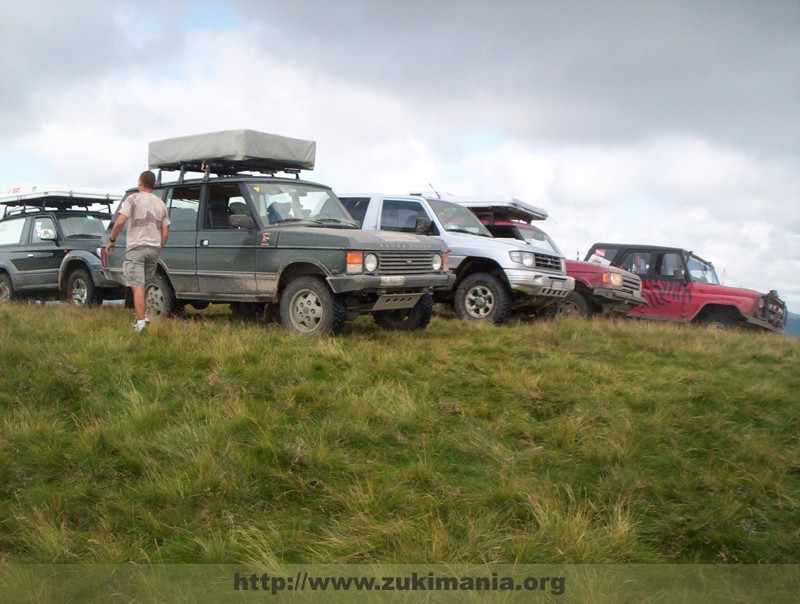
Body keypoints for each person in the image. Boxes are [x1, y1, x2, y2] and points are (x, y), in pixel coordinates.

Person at [105, 171, 170, 332]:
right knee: (142, 283)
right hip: (153, 250)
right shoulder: (161, 203)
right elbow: (165, 232)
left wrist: (112, 240)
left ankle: (141, 324)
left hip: (136, 248)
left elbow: (120, 222)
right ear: (153, 185)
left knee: (137, 285)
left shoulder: (133, 199)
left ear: (140, 182)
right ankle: (141, 316)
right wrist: (158, 246)